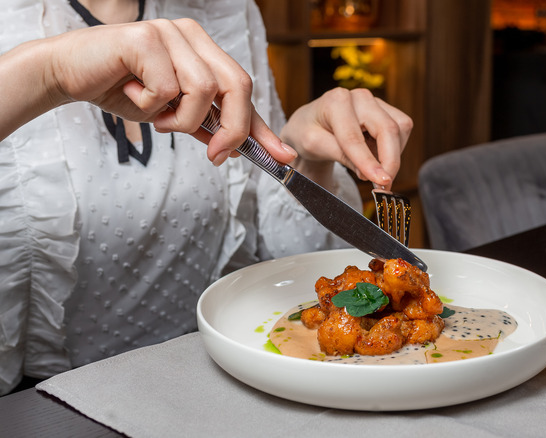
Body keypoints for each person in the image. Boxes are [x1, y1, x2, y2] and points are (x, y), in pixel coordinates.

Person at [0, 0, 413, 395]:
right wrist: (46, 73)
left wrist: (307, 160)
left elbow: (278, 254)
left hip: (214, 378)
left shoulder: (230, 11)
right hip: (39, 401)